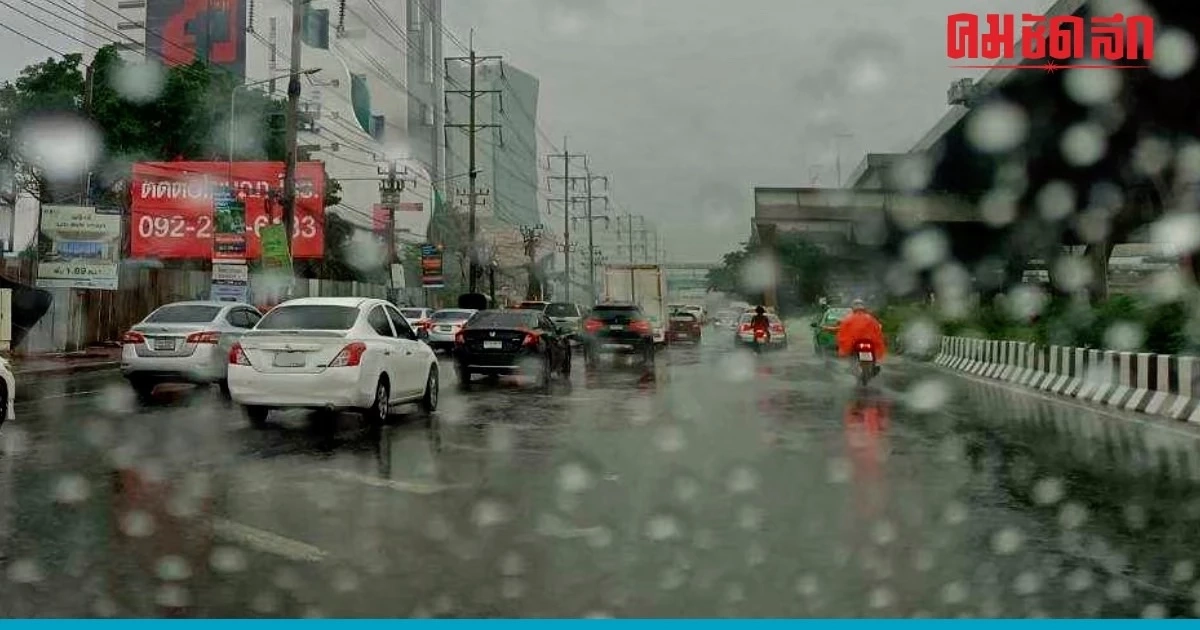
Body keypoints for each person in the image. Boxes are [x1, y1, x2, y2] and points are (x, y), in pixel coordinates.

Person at [836, 299, 887, 367]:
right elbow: (878, 330)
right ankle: (874, 363)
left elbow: (842, 331)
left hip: (857, 342)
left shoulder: (849, 319)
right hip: (868, 341)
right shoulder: (870, 318)